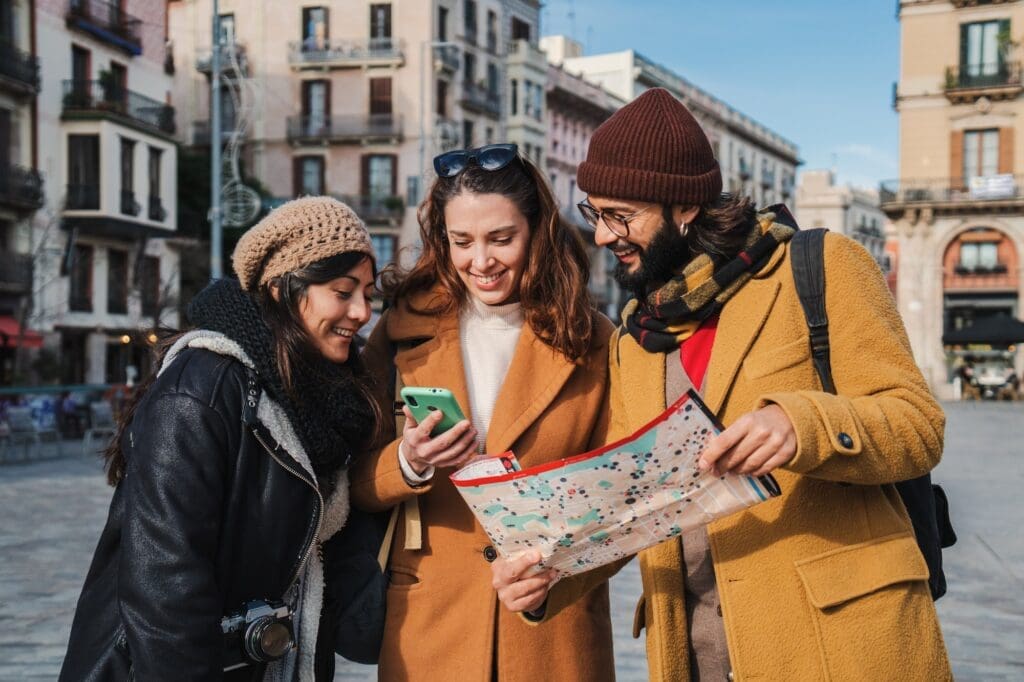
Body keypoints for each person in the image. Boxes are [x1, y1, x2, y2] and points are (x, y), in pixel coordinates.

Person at [492, 89, 952, 680]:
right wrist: (549, 572)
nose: (603, 236)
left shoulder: (820, 266)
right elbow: (632, 502)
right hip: (697, 657)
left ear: (684, 207)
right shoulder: (635, 341)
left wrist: (801, 424)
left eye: (620, 215)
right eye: (594, 213)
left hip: (840, 647)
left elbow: (918, 424)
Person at [60, 197, 381, 681]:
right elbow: (165, 584)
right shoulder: (201, 390)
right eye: (342, 291)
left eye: (369, 294)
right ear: (281, 289)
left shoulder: (321, 400)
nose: (361, 312)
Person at [350, 143, 616, 680]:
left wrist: (557, 578)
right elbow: (349, 481)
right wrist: (408, 462)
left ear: (537, 230)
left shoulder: (597, 343)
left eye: (501, 238)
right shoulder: (400, 330)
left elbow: (624, 502)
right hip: (428, 633)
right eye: (461, 242)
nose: (480, 261)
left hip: (554, 638)